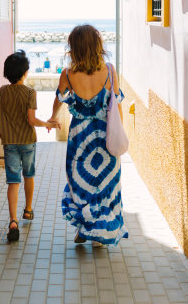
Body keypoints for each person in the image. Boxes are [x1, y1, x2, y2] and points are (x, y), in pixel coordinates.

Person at [48, 24, 128, 247]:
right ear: (97, 45)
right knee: (105, 185)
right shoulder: (110, 70)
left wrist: (53, 117)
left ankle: (85, 230)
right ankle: (98, 235)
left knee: (81, 185)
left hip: (80, 138)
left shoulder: (68, 74)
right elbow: (116, 102)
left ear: (74, 47)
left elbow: (60, 98)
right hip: (105, 136)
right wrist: (120, 130)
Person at [0, 50, 60, 242]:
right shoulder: (30, 92)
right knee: (29, 175)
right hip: (27, 142)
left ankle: (13, 221)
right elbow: (31, 120)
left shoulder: (2, 92)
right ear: (25, 72)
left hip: (9, 143)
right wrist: (49, 124)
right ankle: (28, 210)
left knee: (13, 181)